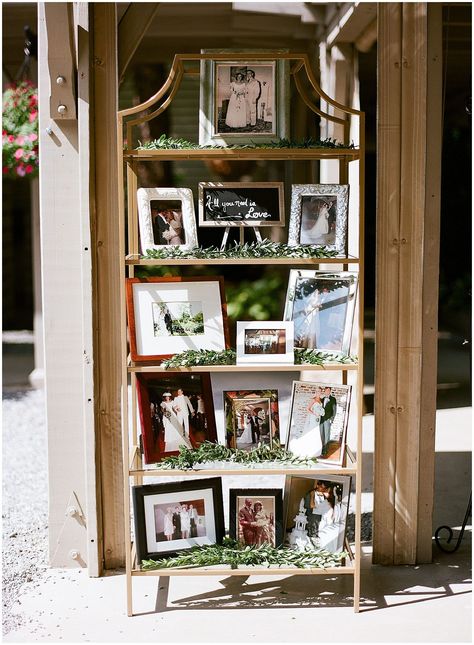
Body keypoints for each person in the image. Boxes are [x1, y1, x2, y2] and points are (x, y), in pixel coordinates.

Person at [288, 390, 324, 458]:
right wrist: (314, 414)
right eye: (317, 391)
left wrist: (320, 413)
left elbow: (321, 410)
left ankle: (316, 450)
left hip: (318, 419)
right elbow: (308, 409)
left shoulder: (321, 400)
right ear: (316, 392)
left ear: (321, 392)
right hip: (313, 418)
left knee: (317, 432)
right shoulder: (313, 400)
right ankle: (309, 449)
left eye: (319, 391)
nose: (318, 393)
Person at [303, 481, 333, 546]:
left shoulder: (320, 493)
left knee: (317, 532)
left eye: (324, 488)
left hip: (318, 515)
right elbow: (311, 506)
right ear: (317, 486)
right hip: (312, 515)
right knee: (313, 533)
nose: (322, 489)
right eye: (321, 487)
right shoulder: (312, 493)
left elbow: (327, 499)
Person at [320, 387, 337, 456]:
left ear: (330, 391)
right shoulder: (322, 399)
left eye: (328, 390)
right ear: (325, 391)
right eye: (326, 390)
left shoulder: (333, 399)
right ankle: (321, 449)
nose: (327, 392)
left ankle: (325, 450)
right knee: (321, 434)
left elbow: (334, 410)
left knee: (327, 435)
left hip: (327, 419)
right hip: (321, 420)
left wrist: (331, 419)